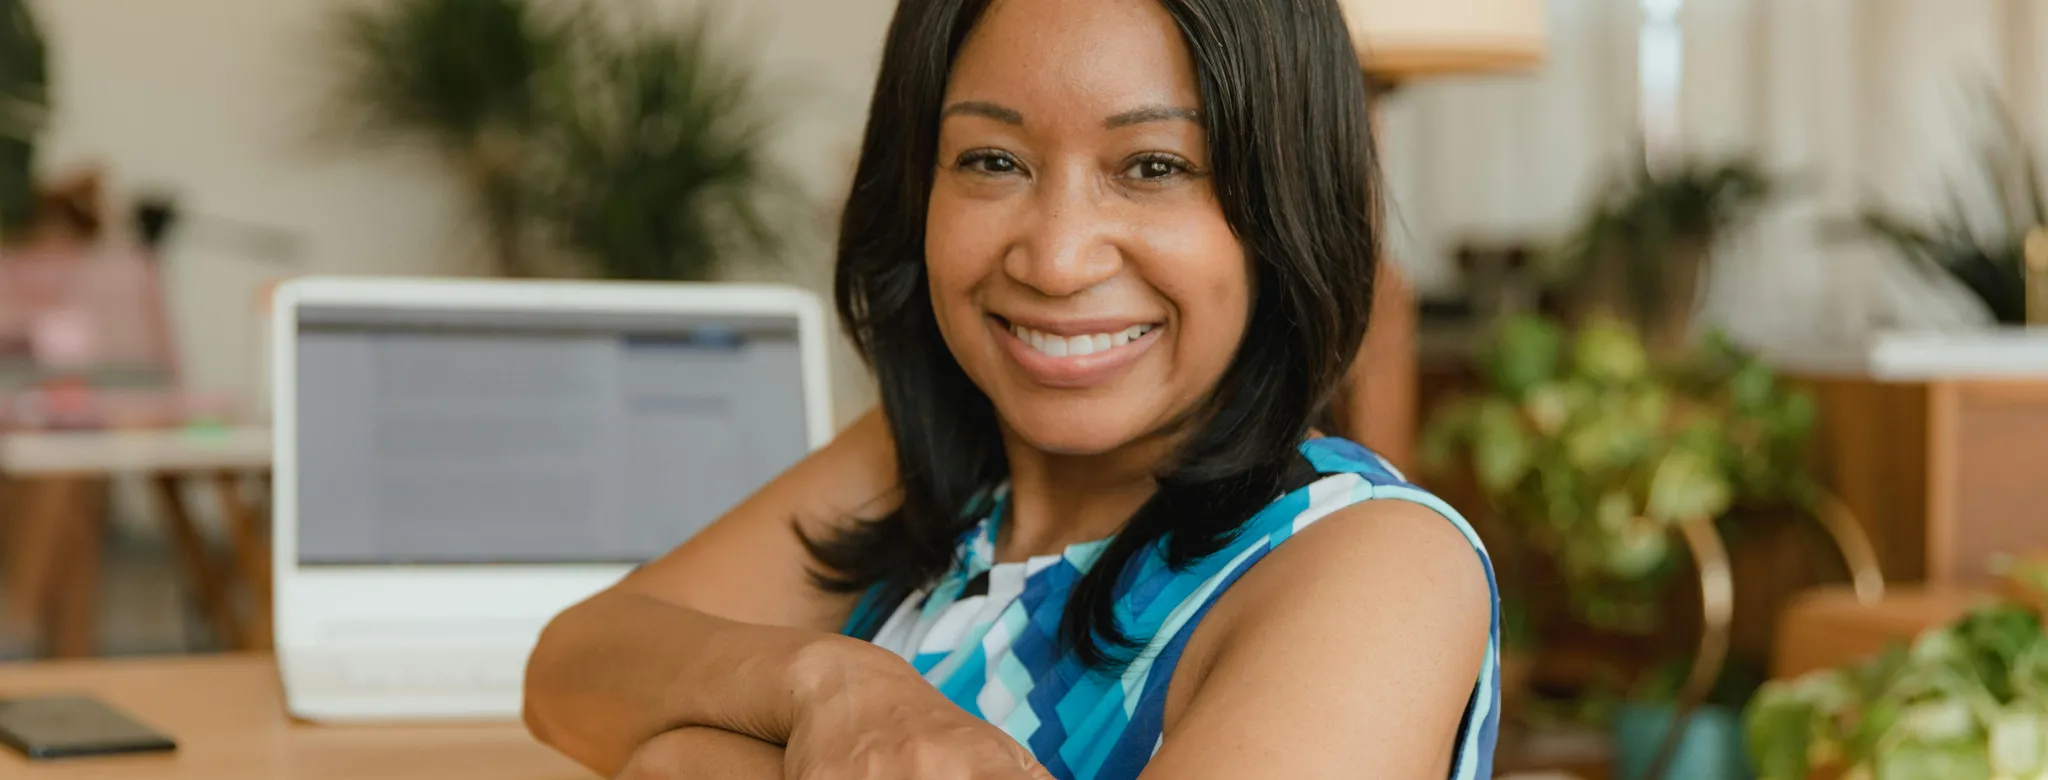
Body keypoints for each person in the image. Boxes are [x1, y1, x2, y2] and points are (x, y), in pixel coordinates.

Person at [522, 0, 1499, 777]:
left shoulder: (1370, 559)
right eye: (993, 161)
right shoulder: (930, 464)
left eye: (1153, 166)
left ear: (1280, 206)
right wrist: (832, 686)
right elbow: (573, 671)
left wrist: (698, 758)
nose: (1056, 259)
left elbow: (650, 746)